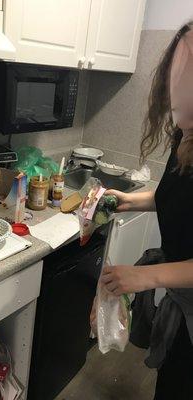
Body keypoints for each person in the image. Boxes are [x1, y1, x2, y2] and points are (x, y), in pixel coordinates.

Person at [92, 22, 193, 400]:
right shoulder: (184, 136)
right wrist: (130, 200)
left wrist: (145, 276)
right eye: (178, 71)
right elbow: (176, 199)